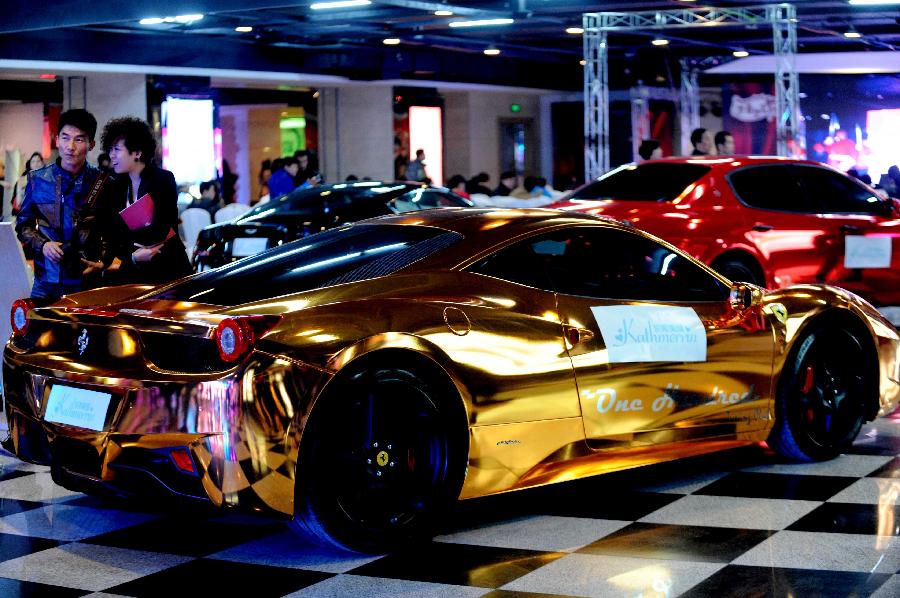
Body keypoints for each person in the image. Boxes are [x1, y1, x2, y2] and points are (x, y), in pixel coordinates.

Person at [16, 109, 109, 303]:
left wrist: (104, 261)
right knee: (37, 332)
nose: (70, 146)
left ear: (91, 144)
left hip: (87, 280)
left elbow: (114, 230)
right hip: (46, 280)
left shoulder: (102, 182)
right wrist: (43, 245)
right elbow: (23, 225)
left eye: (79, 139)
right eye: (65, 138)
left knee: (86, 333)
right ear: (57, 140)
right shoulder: (37, 179)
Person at [99, 116, 192, 285]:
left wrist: (132, 241)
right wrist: (131, 254)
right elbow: (114, 233)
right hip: (135, 269)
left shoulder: (162, 179)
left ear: (137, 152)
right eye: (110, 149)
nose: (111, 155)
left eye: (117, 149)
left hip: (168, 265)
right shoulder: (117, 185)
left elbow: (163, 226)